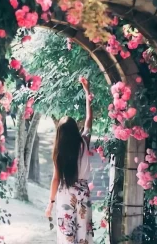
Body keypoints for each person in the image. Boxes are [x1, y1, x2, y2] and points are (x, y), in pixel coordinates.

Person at [45, 77, 94, 244]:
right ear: (75, 130)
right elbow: (89, 121)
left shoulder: (59, 152)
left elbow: (56, 179)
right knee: (83, 235)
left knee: (67, 235)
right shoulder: (84, 142)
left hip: (65, 192)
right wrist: (87, 92)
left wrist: (50, 203)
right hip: (83, 193)